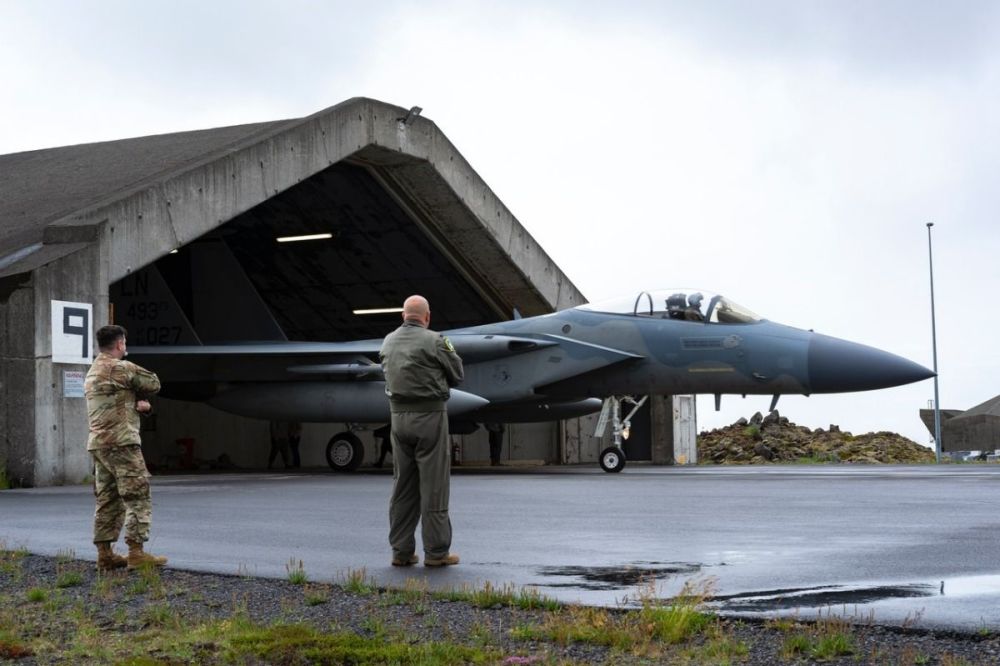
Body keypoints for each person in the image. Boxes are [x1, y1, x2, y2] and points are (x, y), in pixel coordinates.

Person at [379, 295, 464, 567]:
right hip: (430, 417)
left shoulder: (387, 341)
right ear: (427, 317)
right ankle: (437, 553)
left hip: (398, 419)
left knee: (403, 486)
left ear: (403, 316)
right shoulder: (436, 340)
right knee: (434, 486)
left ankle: (401, 552)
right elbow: (457, 373)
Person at [84, 324, 166, 570]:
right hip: (122, 443)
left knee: (107, 499)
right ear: (120, 344)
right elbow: (153, 383)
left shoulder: (92, 372)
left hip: (99, 445)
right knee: (137, 496)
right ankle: (137, 552)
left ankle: (105, 555)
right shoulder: (121, 368)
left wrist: (137, 404)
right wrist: (140, 396)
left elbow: (115, 403)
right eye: (124, 344)